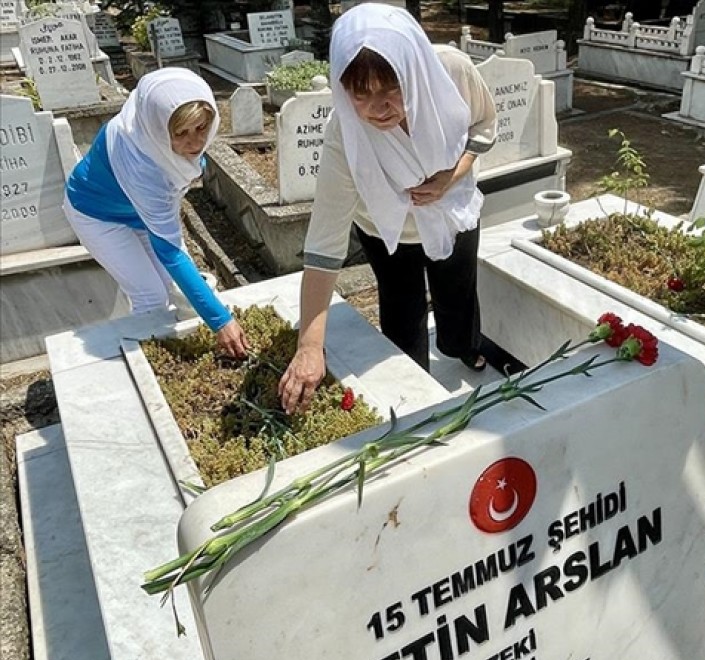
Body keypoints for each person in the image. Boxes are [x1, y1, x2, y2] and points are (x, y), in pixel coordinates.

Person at [278, 4, 503, 415]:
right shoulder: (343, 134)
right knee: (401, 306)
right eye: (361, 92)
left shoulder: (450, 71)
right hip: (385, 229)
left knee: (458, 290)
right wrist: (309, 347)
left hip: (453, 213)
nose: (378, 107)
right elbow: (325, 242)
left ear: (413, 71)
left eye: (391, 88)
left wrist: (449, 178)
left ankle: (463, 346)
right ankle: (413, 385)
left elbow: (484, 125)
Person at [63, 68, 249, 358]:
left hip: (141, 209)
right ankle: (150, 360)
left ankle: (164, 348)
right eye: (181, 134)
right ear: (158, 128)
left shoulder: (151, 119)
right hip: (97, 214)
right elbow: (170, 250)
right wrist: (220, 320)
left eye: (201, 128)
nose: (195, 142)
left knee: (173, 287)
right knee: (150, 295)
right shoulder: (141, 160)